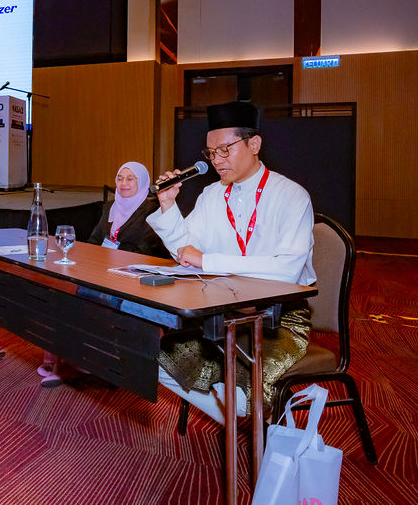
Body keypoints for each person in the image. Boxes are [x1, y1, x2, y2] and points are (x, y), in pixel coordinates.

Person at [146, 101, 316, 422]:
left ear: (254, 144)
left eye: (225, 149)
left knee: (239, 396)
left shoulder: (291, 195)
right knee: (154, 361)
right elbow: (187, 254)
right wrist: (168, 205)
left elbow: (288, 270)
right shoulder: (212, 194)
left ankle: (244, 418)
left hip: (277, 319)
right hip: (222, 314)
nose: (217, 160)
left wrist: (208, 260)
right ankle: (246, 423)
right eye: (211, 153)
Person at [38, 161, 169, 388]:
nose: (124, 183)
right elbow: (94, 241)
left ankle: (84, 361)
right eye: (120, 178)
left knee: (85, 300)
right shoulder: (111, 207)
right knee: (63, 294)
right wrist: (92, 259)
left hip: (134, 280)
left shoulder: (153, 211)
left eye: (130, 179)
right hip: (104, 273)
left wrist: (108, 256)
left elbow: (145, 252)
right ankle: (65, 362)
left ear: (142, 183)